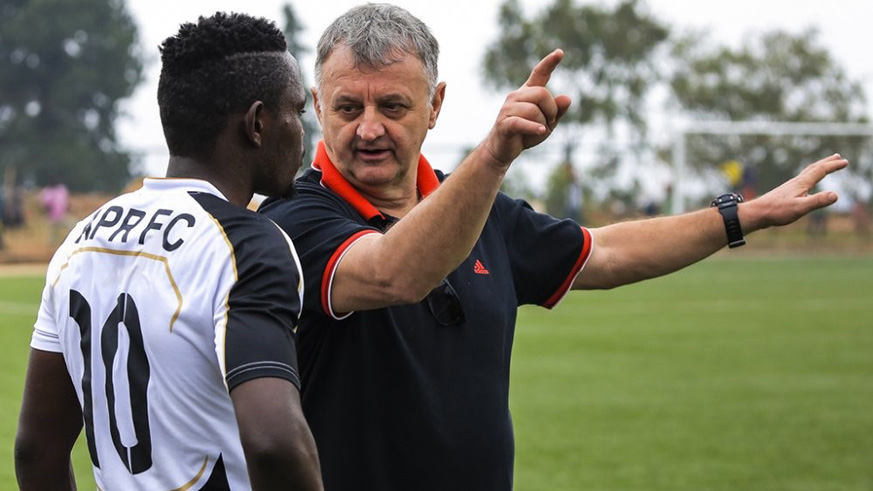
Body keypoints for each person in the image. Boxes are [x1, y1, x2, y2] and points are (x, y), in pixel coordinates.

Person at [259, 4, 849, 490]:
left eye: (392, 106)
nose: (368, 128)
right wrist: (494, 154)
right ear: (318, 106)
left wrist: (740, 217)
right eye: (347, 107)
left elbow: (605, 252)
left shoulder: (483, 213)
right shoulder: (291, 222)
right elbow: (393, 272)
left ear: (434, 106)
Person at [15, 12, 323, 491]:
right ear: (257, 123)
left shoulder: (80, 240)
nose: (303, 131)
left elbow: (36, 451)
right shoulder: (246, 245)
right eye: (297, 111)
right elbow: (273, 445)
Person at [39, 178, 70, 244]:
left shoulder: (61, 189)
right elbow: (46, 204)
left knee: (71, 226)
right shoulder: (48, 191)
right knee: (54, 233)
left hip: (62, 215)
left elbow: (66, 201)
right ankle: (53, 244)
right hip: (53, 216)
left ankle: (67, 240)